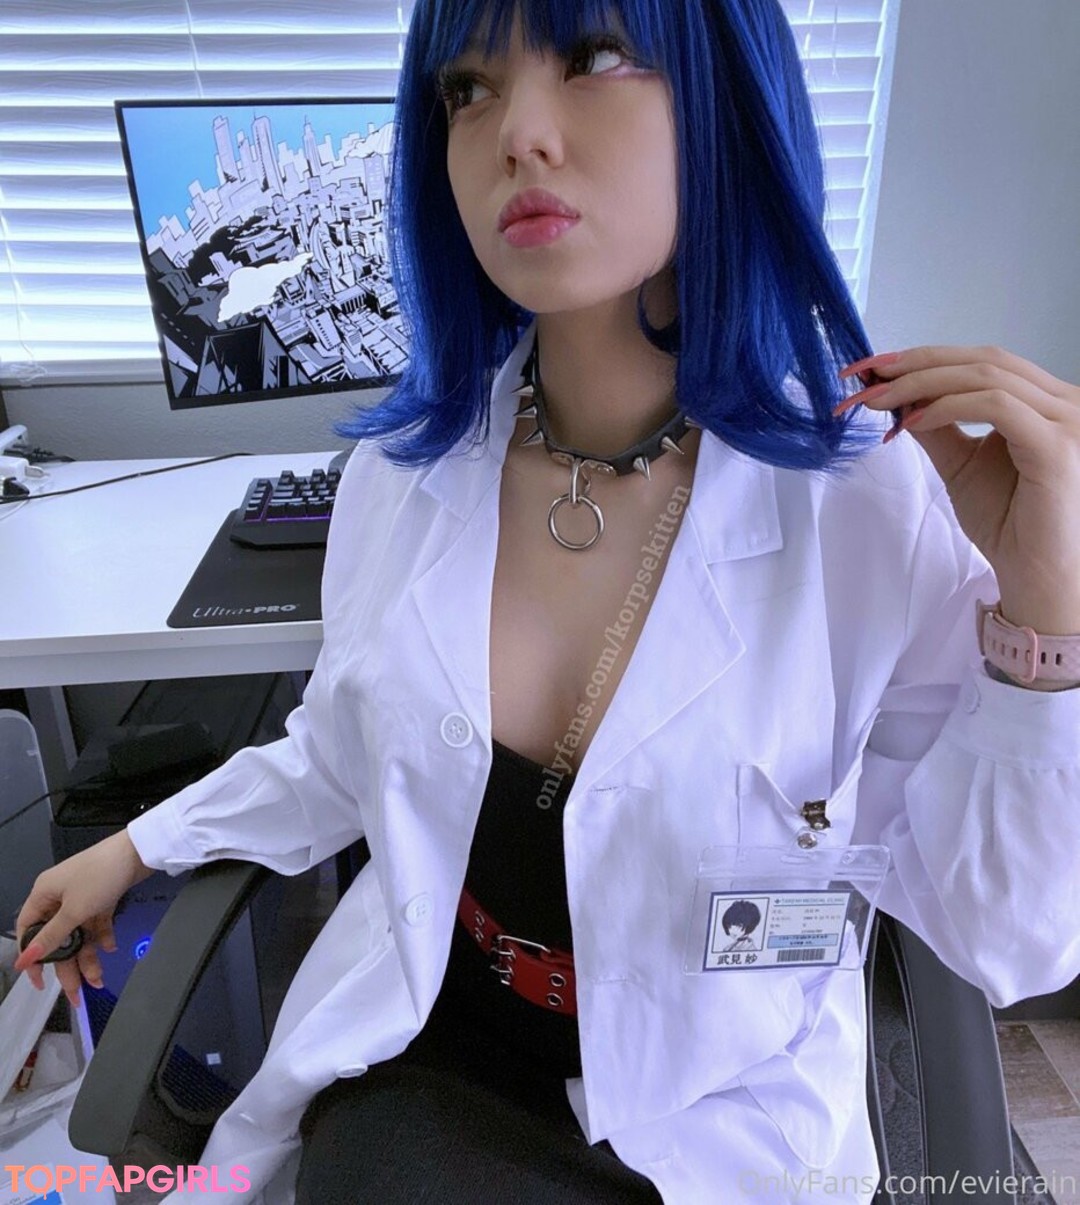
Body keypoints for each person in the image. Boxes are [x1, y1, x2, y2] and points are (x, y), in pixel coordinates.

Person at [14, 0, 1080, 1201]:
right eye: (467, 89)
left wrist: (1049, 616)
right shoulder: (404, 476)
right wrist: (141, 843)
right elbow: (342, 748)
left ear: (726, 104)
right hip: (434, 1050)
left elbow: (1006, 936)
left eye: (595, 56)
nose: (516, 131)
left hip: (719, 1103)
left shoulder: (864, 501)